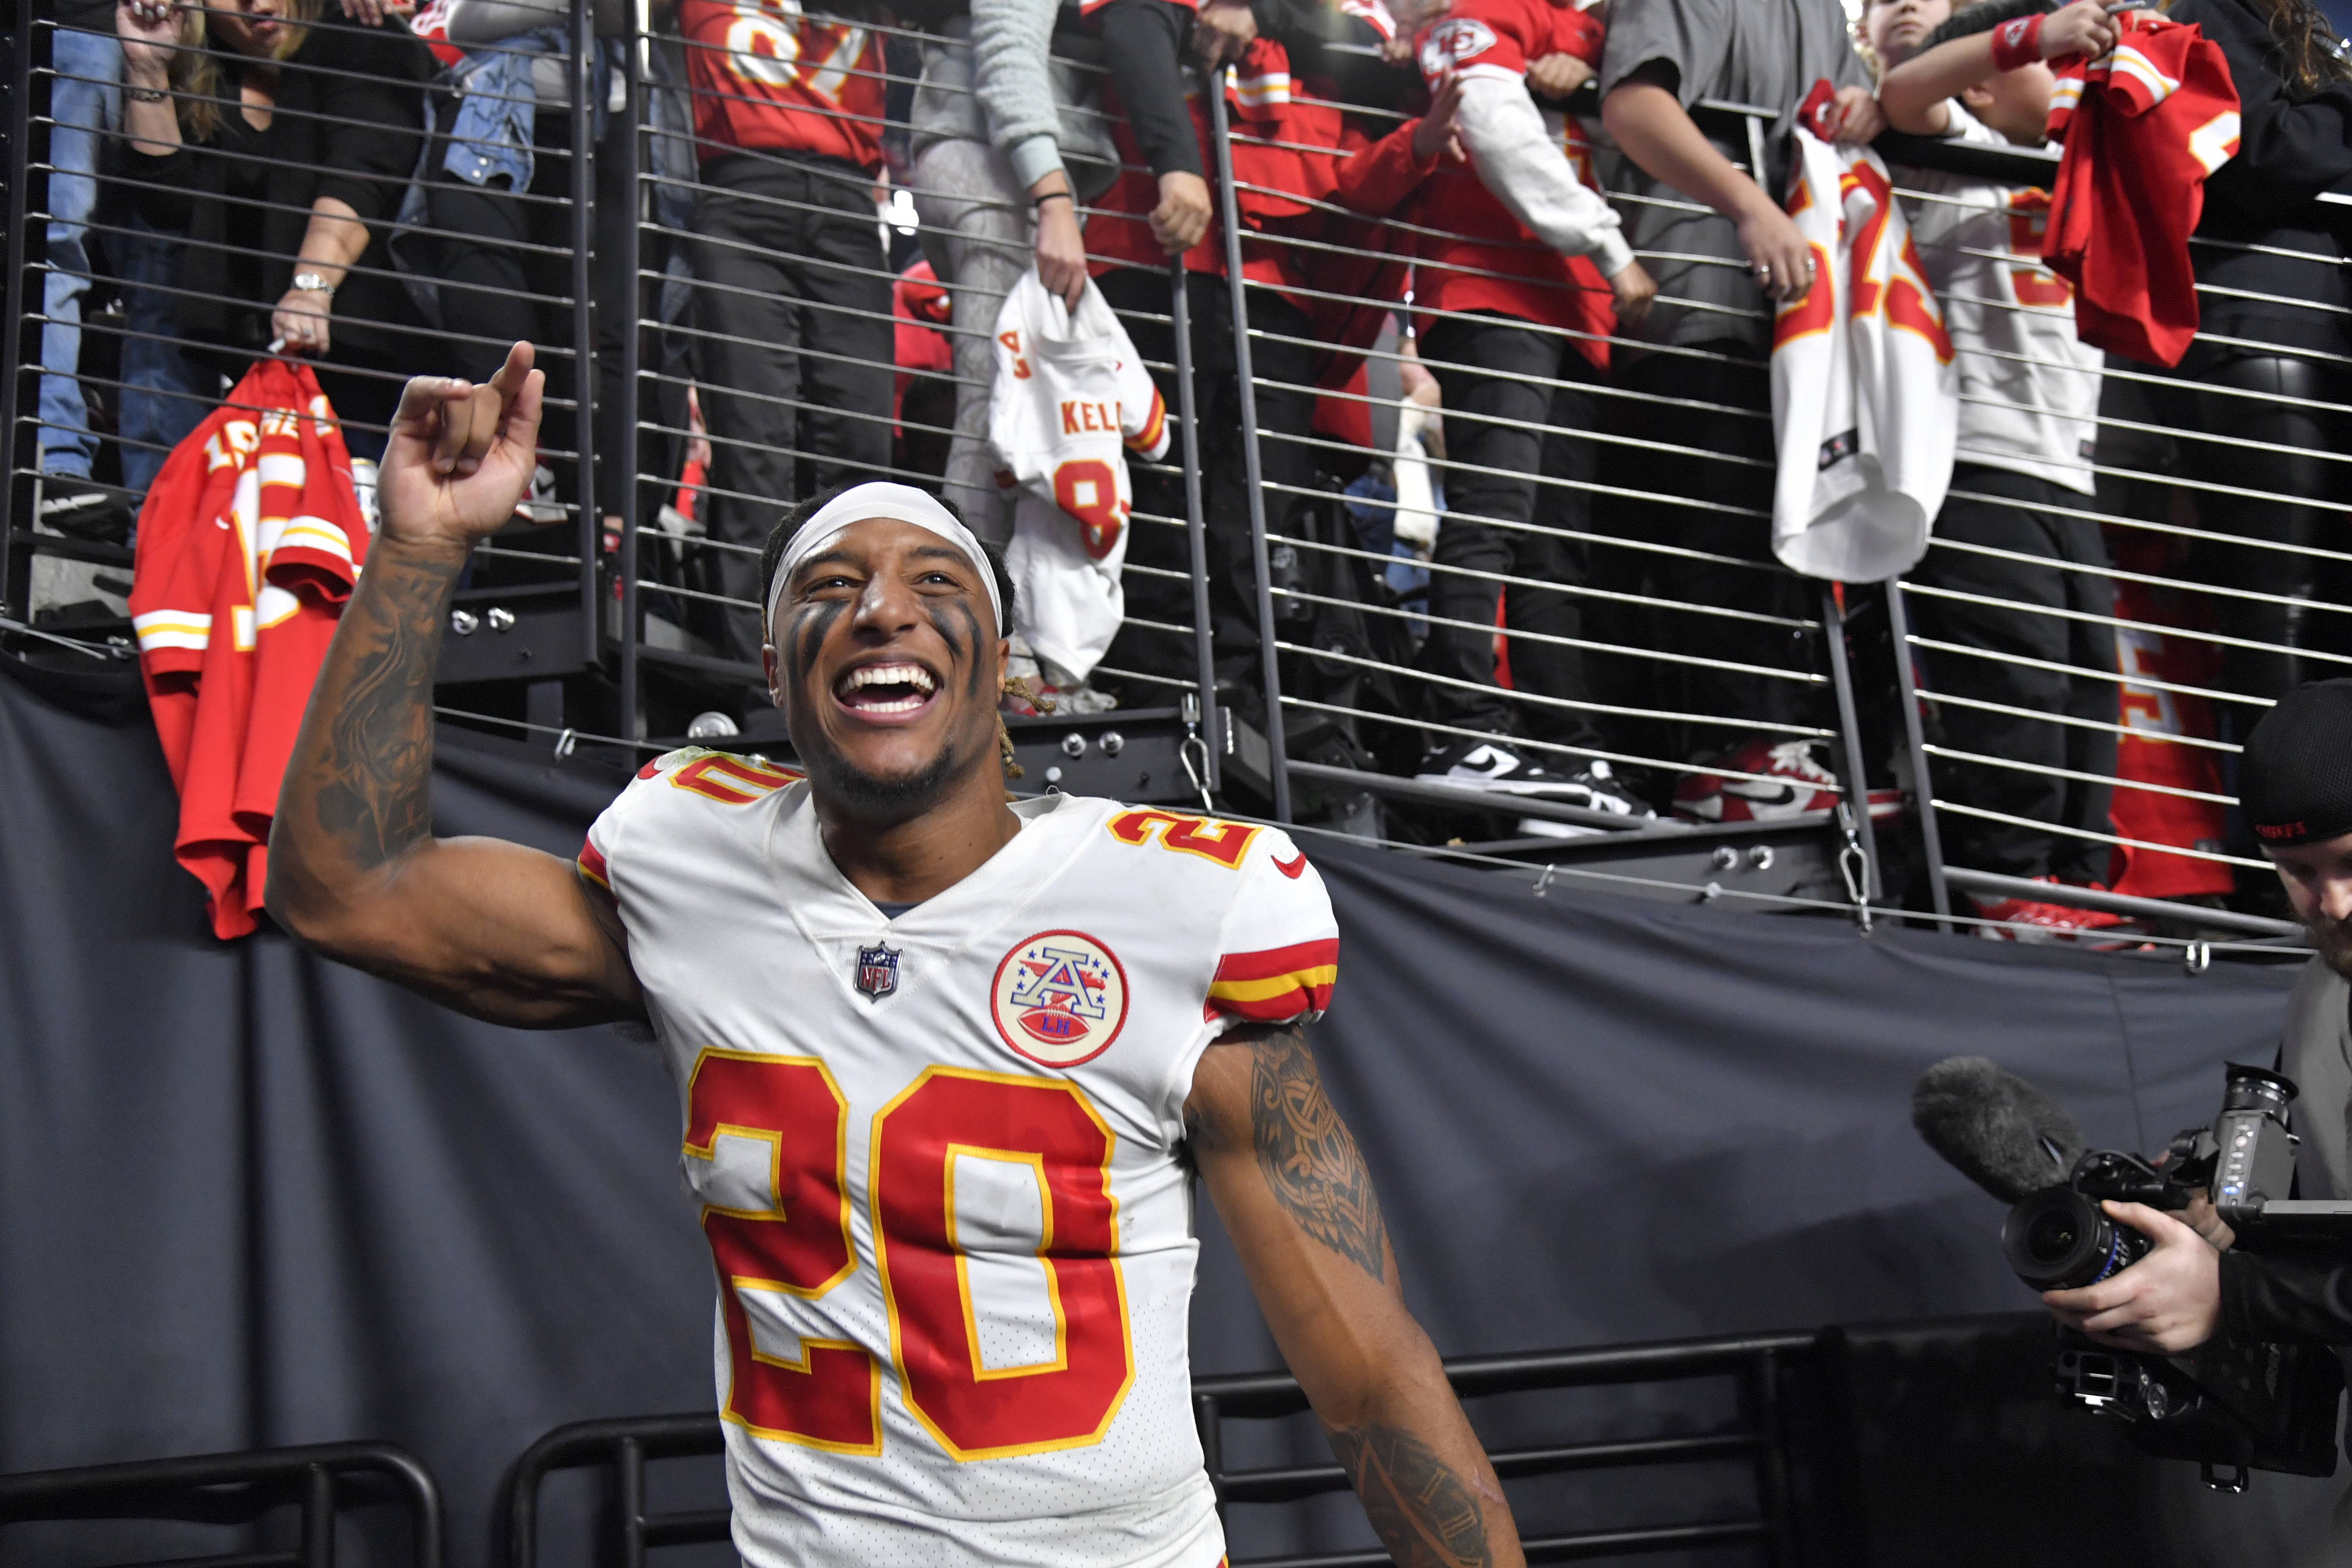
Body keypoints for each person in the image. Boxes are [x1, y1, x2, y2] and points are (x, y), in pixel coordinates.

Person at [264, 340, 1530, 1568]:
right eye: (827, 587)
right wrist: (422, 543)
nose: (880, 609)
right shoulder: (687, 870)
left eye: (937, 583)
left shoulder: (1169, 910)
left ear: (1007, 674)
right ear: (776, 670)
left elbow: (1366, 1369)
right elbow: (349, 891)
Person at [1874, 0, 2130, 939]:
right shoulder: (1957, 156)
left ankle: (2075, 886)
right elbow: (1902, 90)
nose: (2065, 77)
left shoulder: (2074, 167)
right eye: (2045, 66)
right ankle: (2002, 881)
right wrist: (2039, 32)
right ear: (1984, 79)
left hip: (2070, 470)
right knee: (2011, 684)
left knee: (2088, 693)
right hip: (1979, 461)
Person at [1378, 0, 1655, 817]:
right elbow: (1492, 121)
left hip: (1574, 312)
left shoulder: (1584, 31)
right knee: (1493, 512)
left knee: (1554, 547)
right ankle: (1468, 731)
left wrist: (1592, 78)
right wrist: (1609, 246)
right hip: (1492, 296)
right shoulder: (1472, 15)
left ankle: (1568, 751)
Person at [1593, 0, 1882, 770]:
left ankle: (1776, 753)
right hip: (1693, 302)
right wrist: (1750, 206)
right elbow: (1632, 104)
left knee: (1773, 553)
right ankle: (1732, 766)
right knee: (1709, 539)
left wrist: (1867, 112)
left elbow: (1859, 119)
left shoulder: (1822, 15)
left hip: (1796, 329)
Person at [2043, 683, 2352, 1388]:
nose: (2330, 904)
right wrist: (2221, 1216)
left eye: (2349, 863)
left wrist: (2232, 1294)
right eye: (2299, 872)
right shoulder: (2318, 992)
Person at [112, 0, 435, 465]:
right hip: (257, 363)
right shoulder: (207, 65)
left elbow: (361, 176)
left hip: (364, 354)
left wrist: (311, 289)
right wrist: (147, 71)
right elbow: (168, 205)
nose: (260, 3)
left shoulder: (356, 28)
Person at [677, 0, 893, 667]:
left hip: (850, 202)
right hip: (741, 187)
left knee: (859, 442)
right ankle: (759, 669)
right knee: (752, 442)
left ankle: (849, 654)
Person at [2153, 0, 2352, 718]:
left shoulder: (2309, 38)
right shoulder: (2207, 13)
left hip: (2317, 335)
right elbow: (2270, 151)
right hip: (2263, 328)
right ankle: (2286, 821)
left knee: (2324, 615)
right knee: (2281, 616)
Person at [904, 0, 1116, 544]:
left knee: (995, 409)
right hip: (991, 164)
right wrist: (1054, 198)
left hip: (986, 162)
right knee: (994, 414)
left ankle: (967, 601)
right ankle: (965, 610)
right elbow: (1008, 52)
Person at [35, 0, 134, 541]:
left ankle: (59, 456)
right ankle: (57, 454)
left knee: (53, 247)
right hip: (76, 33)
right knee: (53, 248)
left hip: (82, 28)